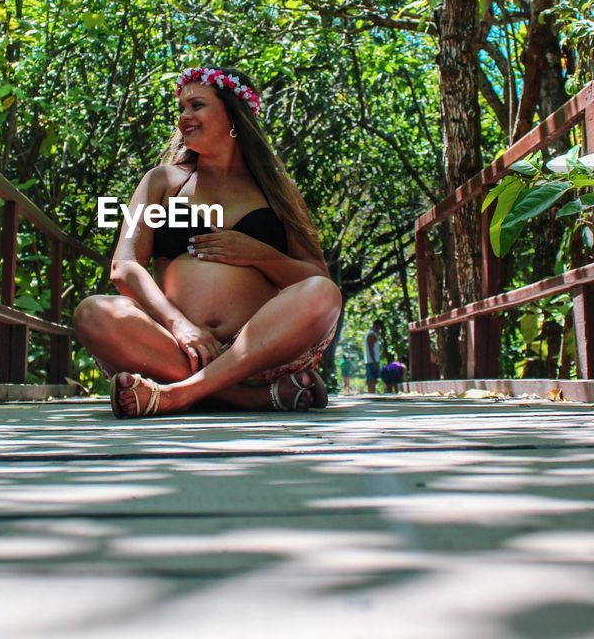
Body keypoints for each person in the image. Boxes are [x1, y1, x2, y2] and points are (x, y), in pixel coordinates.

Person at [74, 66, 342, 418]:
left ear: (233, 114)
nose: (184, 117)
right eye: (181, 109)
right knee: (93, 313)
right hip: (176, 346)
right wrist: (179, 325)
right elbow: (124, 267)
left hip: (259, 351)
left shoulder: (277, 189)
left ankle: (177, 396)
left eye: (196, 106)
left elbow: (314, 275)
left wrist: (259, 255)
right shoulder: (163, 181)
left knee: (324, 293)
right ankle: (248, 397)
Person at [363, 319, 383, 393]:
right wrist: (374, 361)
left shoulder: (372, 334)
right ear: (376, 325)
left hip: (371, 360)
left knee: (373, 380)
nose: (380, 329)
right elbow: (370, 349)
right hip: (372, 361)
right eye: (380, 326)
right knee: (371, 380)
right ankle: (371, 394)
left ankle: (371, 393)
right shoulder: (371, 335)